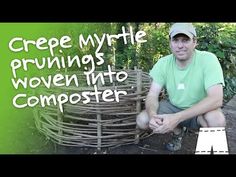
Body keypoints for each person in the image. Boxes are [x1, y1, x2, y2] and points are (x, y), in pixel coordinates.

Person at [136, 23, 226, 152]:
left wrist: (177, 118)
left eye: (185, 40)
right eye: (176, 40)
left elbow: (216, 99)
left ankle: (206, 150)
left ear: (194, 42)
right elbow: (152, 95)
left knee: (216, 120)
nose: (180, 46)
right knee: (143, 120)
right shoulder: (163, 63)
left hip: (200, 111)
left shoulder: (208, 60)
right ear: (170, 43)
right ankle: (178, 134)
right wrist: (152, 115)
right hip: (174, 107)